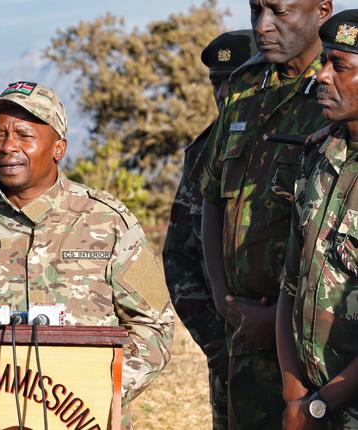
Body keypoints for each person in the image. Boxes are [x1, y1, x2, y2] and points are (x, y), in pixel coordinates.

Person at [0, 81, 174, 429]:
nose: (8, 147)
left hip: (88, 418)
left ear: (58, 148)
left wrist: (94, 391)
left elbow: (153, 325)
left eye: (24, 135)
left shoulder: (108, 221)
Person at [198, 0, 333, 428]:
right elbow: (213, 194)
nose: (262, 26)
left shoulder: (341, 87)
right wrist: (223, 299)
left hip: (313, 342)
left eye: (279, 12)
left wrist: (277, 317)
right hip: (242, 331)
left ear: (323, 10)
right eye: (255, 10)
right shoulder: (244, 85)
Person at [162, 29, 257, 430]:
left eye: (235, 80)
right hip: (229, 349)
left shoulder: (304, 139)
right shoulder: (205, 152)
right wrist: (217, 345)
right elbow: (179, 256)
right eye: (217, 82)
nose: (224, 93)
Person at [277, 10, 358, 429]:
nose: (322, 76)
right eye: (324, 61)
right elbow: (291, 281)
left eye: (339, 66)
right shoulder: (318, 153)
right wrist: (295, 394)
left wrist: (320, 404)